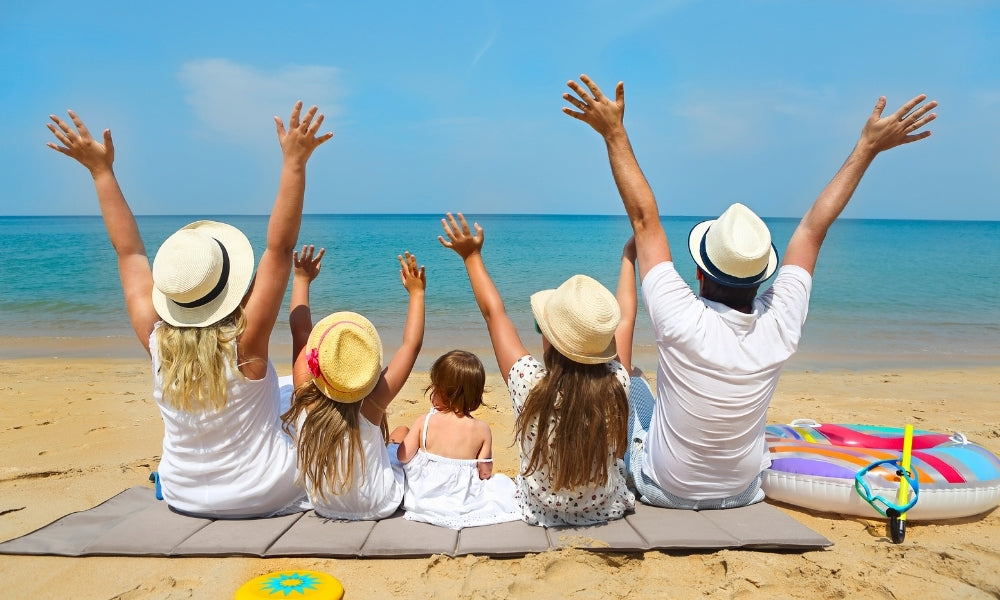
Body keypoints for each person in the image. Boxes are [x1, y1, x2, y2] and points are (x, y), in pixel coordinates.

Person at [563, 74, 937, 509]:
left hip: (662, 489)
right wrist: (867, 148)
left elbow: (644, 219)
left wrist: (613, 132)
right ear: (763, 279)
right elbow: (814, 230)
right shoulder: (780, 323)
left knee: (634, 385)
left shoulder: (681, 318)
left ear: (700, 276)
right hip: (742, 492)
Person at [46, 102, 332, 518]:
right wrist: (295, 162)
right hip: (261, 490)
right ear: (230, 285)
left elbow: (129, 254)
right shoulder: (246, 341)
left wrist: (101, 172)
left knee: (283, 388)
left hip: (183, 493)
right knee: (313, 396)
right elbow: (280, 248)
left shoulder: (157, 340)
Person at [439, 213, 635, 526]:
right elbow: (625, 320)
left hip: (539, 509)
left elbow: (495, 315)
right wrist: (629, 258)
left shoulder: (528, 382)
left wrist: (471, 256)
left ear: (549, 339)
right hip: (604, 508)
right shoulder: (617, 381)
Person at [282, 250, 425, 520]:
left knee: (393, 437)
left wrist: (301, 279)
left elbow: (300, 334)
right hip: (380, 504)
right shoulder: (371, 405)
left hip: (324, 505)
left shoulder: (306, 400)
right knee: (401, 433)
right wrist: (416, 293)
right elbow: (411, 346)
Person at [393, 350, 521, 529]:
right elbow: (484, 472)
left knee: (394, 445)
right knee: (502, 485)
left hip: (423, 499)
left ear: (441, 390)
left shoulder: (425, 421)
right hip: (461, 500)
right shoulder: (482, 430)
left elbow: (403, 456)